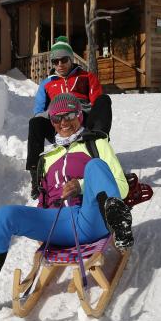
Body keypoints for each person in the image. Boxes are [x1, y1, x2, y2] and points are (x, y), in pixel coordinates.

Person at [0, 93, 132, 321]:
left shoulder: (96, 143)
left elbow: (121, 186)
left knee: (96, 167)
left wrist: (80, 186)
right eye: (57, 119)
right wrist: (41, 223)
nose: (64, 123)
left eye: (70, 115)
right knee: (3, 215)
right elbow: (44, 199)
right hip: (58, 224)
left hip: (90, 218)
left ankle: (119, 224)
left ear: (80, 116)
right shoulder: (47, 157)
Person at [26, 36, 112, 199]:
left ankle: (98, 142)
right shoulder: (47, 83)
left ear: (71, 59)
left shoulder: (86, 77)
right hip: (60, 124)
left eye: (63, 60)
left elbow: (97, 104)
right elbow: (39, 111)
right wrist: (54, 114)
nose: (59, 65)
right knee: (35, 123)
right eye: (55, 61)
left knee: (104, 100)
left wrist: (82, 108)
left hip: (83, 122)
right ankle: (35, 175)